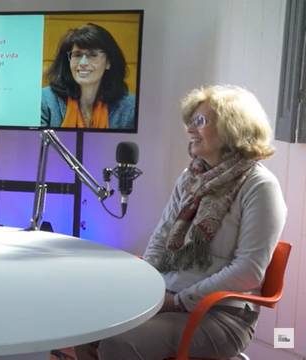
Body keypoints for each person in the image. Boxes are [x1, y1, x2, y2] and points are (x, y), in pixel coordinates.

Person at [75, 85, 287, 359]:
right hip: (167, 298)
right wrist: (145, 288)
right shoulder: (191, 176)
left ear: (232, 127)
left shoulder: (260, 185)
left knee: (121, 342)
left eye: (200, 121)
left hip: (220, 315)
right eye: (190, 121)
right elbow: (161, 237)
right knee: (88, 329)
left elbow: (248, 271)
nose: (189, 129)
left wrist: (177, 301)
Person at [41, 23, 135, 129]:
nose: (83, 63)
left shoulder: (130, 107)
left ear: (108, 62)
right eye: (77, 55)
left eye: (92, 55)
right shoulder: (45, 100)